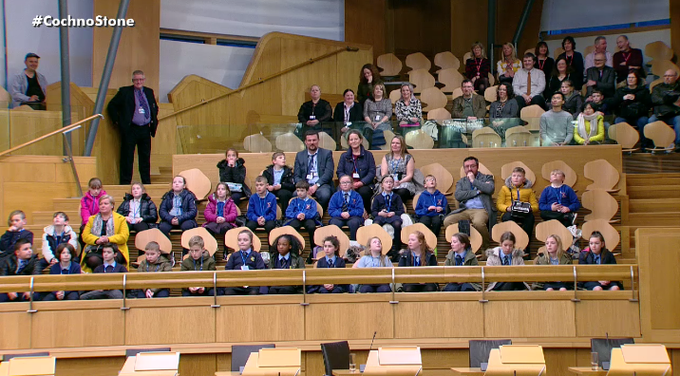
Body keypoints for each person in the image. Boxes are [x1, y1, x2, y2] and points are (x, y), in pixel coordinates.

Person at [107, 70, 159, 185]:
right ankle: (125, 183)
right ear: (132, 80)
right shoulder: (125, 92)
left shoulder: (149, 92)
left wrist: (153, 120)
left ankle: (146, 183)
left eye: (140, 79)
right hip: (131, 129)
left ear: (144, 80)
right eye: (136, 80)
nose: (138, 82)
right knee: (127, 158)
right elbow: (112, 106)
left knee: (145, 158)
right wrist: (117, 121)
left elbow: (154, 107)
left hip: (145, 129)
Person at [443, 156, 496, 250]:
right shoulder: (461, 182)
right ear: (464, 169)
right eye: (467, 167)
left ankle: (485, 248)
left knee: (478, 223)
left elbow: (490, 189)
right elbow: (458, 195)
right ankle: (460, 246)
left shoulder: (487, 177)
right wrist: (478, 191)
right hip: (465, 210)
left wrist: (473, 181)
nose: (469, 169)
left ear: (477, 166)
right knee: (448, 221)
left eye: (472, 166)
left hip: (481, 210)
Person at [81, 195, 130, 273]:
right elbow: (85, 236)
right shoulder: (92, 219)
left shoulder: (121, 219)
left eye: (105, 203)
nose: (102, 206)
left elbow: (123, 237)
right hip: (96, 248)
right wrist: (97, 240)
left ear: (112, 205)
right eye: (101, 204)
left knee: (111, 258)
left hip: (115, 248)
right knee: (93, 260)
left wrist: (108, 239)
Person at [497, 167, 538, 256]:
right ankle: (509, 247)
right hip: (509, 212)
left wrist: (529, 208)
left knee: (530, 218)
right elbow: (499, 204)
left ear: (523, 179)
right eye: (514, 176)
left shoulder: (529, 190)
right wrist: (507, 208)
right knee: (508, 218)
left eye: (519, 176)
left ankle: (526, 248)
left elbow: (535, 206)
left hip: (524, 213)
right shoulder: (504, 189)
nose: (516, 178)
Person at [337, 130, 376, 213]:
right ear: (348, 142)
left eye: (356, 139)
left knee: (364, 192)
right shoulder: (344, 156)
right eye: (351, 139)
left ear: (361, 140)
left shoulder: (368, 155)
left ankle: (366, 214)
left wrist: (361, 182)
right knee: (339, 191)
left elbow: (372, 172)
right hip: (347, 184)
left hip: (364, 184)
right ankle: (344, 214)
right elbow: (340, 171)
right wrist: (347, 183)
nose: (354, 141)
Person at [294, 130, 335, 208]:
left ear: (318, 141)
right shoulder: (300, 155)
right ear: (305, 142)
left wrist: (316, 185)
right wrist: (305, 187)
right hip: (305, 184)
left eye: (314, 140)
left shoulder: (326, 153)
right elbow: (296, 175)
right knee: (295, 194)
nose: (312, 142)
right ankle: (303, 215)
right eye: (309, 140)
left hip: (321, 184)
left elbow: (328, 174)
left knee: (325, 195)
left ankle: (317, 215)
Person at [614, 71, 651, 150]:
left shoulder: (643, 91)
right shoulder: (620, 91)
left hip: (639, 115)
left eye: (633, 77)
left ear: (637, 79)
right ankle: (623, 145)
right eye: (629, 77)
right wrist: (623, 98)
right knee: (619, 121)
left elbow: (648, 103)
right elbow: (613, 102)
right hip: (624, 115)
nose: (630, 79)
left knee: (644, 121)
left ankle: (645, 145)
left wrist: (635, 97)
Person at [224, 230, 266, 295]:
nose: (242, 242)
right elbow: (228, 269)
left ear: (251, 242)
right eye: (239, 240)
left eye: (245, 240)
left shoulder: (256, 255)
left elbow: (261, 269)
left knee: (254, 292)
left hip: (252, 283)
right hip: (237, 283)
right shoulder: (234, 255)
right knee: (229, 291)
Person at [203, 182, 237, 258]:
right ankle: (212, 251)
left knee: (226, 229)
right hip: (214, 222)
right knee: (208, 229)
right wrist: (215, 218)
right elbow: (207, 214)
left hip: (225, 222)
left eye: (223, 189)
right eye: (218, 189)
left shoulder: (231, 203)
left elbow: (233, 214)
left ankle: (226, 250)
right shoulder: (211, 203)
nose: (220, 191)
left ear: (227, 191)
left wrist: (225, 218)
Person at [371, 175, 404, 254]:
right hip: (381, 216)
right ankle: (378, 247)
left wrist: (394, 213)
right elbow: (373, 212)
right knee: (376, 224)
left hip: (393, 216)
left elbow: (401, 210)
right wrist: (379, 213)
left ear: (393, 184)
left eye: (391, 182)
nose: (389, 184)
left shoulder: (397, 197)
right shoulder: (377, 198)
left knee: (397, 224)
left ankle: (397, 248)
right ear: (382, 185)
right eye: (386, 182)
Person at [158, 176, 198, 240]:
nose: (176, 184)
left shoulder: (189, 196)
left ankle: (186, 249)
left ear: (184, 186)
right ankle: (167, 249)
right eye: (174, 182)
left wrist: (179, 218)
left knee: (187, 226)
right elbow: (162, 211)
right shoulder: (167, 196)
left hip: (184, 219)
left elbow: (192, 211)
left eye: (179, 182)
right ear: (172, 186)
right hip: (170, 219)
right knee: (162, 227)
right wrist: (170, 219)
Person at [648, 69, 680, 150]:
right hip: (660, 114)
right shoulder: (657, 88)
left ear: (676, 77)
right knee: (651, 121)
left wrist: (664, 100)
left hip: (675, 113)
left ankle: (678, 144)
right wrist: (671, 100)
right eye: (665, 76)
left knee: (679, 120)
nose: (667, 78)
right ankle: (657, 144)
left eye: (670, 76)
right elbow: (655, 100)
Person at [379, 135, 416, 204]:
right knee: (387, 190)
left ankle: (397, 210)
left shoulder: (408, 157)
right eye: (393, 143)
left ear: (402, 145)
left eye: (397, 143)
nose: (394, 145)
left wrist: (399, 182)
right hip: (389, 182)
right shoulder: (386, 157)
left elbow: (409, 175)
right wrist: (391, 183)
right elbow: (384, 174)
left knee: (402, 192)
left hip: (404, 182)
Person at [284, 181, 321, 248]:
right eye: (298, 191)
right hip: (296, 218)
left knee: (311, 226)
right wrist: (297, 215)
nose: (299, 193)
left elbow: (313, 212)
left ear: (307, 191)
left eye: (302, 191)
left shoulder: (312, 202)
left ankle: (313, 247)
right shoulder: (294, 201)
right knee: (292, 226)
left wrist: (305, 215)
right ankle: (294, 246)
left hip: (308, 219)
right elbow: (288, 212)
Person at [328, 175, 364, 240]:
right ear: (340, 185)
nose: (345, 184)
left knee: (354, 223)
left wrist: (350, 213)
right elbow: (331, 210)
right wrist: (340, 214)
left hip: (353, 217)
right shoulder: (335, 196)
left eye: (347, 182)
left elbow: (360, 210)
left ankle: (354, 243)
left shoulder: (357, 196)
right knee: (334, 223)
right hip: (339, 217)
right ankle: (336, 244)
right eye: (343, 183)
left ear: (351, 184)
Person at [415, 175, 448, 239]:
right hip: (425, 214)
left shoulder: (441, 196)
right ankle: (425, 240)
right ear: (425, 185)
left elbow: (446, 209)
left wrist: (442, 209)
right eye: (428, 180)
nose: (431, 181)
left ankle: (434, 240)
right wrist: (427, 209)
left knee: (437, 222)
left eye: (433, 179)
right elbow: (418, 210)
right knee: (424, 222)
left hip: (437, 215)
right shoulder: (422, 196)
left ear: (436, 183)